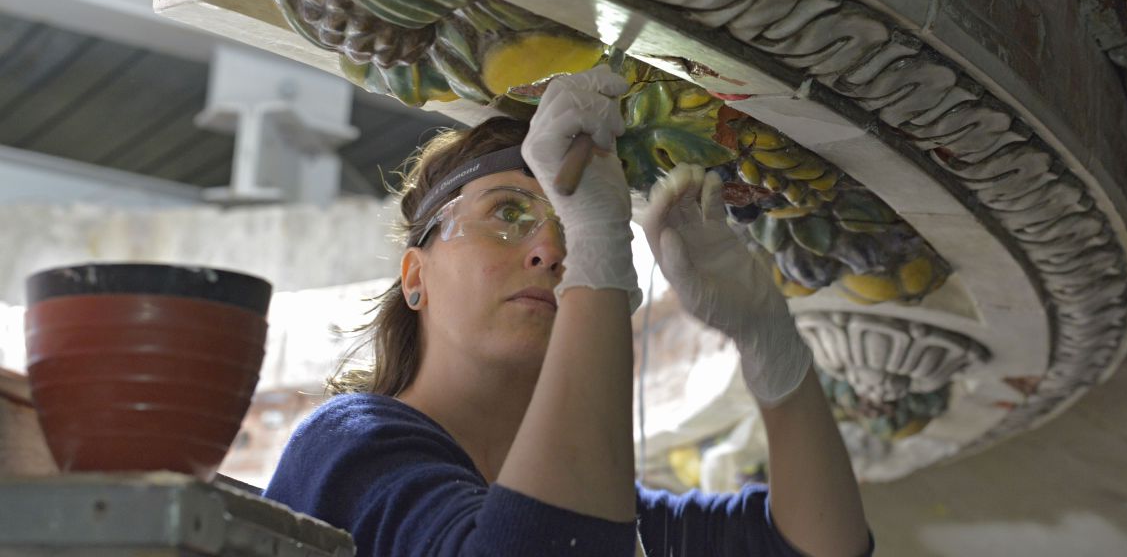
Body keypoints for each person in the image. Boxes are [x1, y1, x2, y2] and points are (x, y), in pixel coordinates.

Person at [264, 67, 873, 556]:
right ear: (417, 277)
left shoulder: (607, 507)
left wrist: (769, 338)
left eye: (571, 225)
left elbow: (816, 544)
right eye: (508, 213)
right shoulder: (349, 442)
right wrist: (599, 246)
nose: (554, 250)